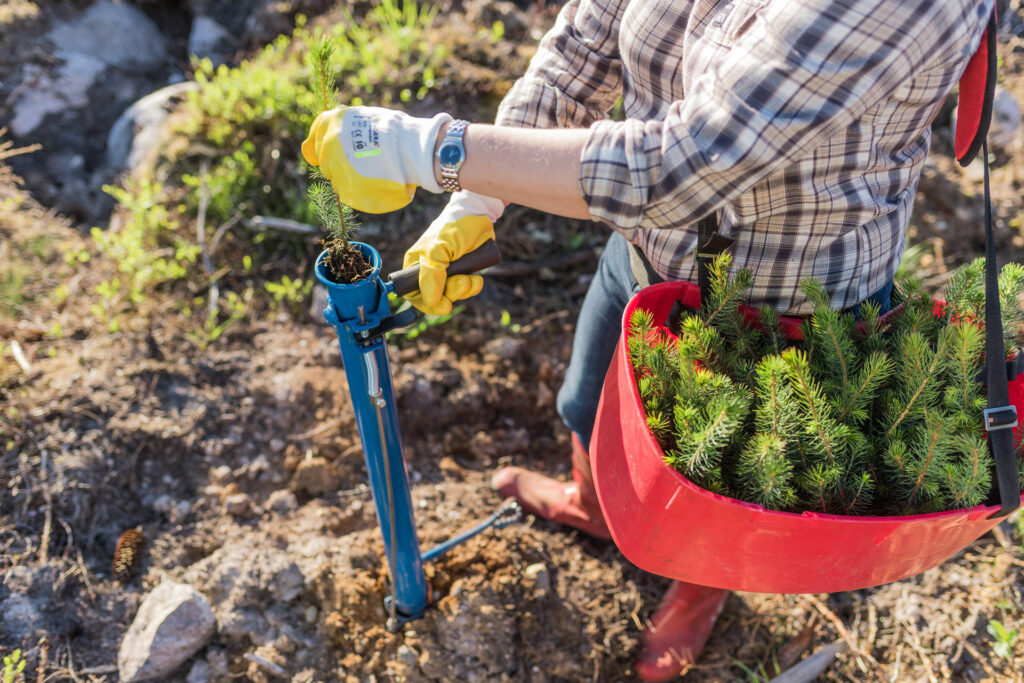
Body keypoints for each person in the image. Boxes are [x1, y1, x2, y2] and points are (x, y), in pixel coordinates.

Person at [302, 0, 995, 677]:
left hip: (785, 308)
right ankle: (595, 506)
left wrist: (429, 150)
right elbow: (587, 42)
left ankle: (700, 586)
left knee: (718, 488)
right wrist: (476, 201)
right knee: (587, 404)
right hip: (645, 256)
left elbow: (681, 167)